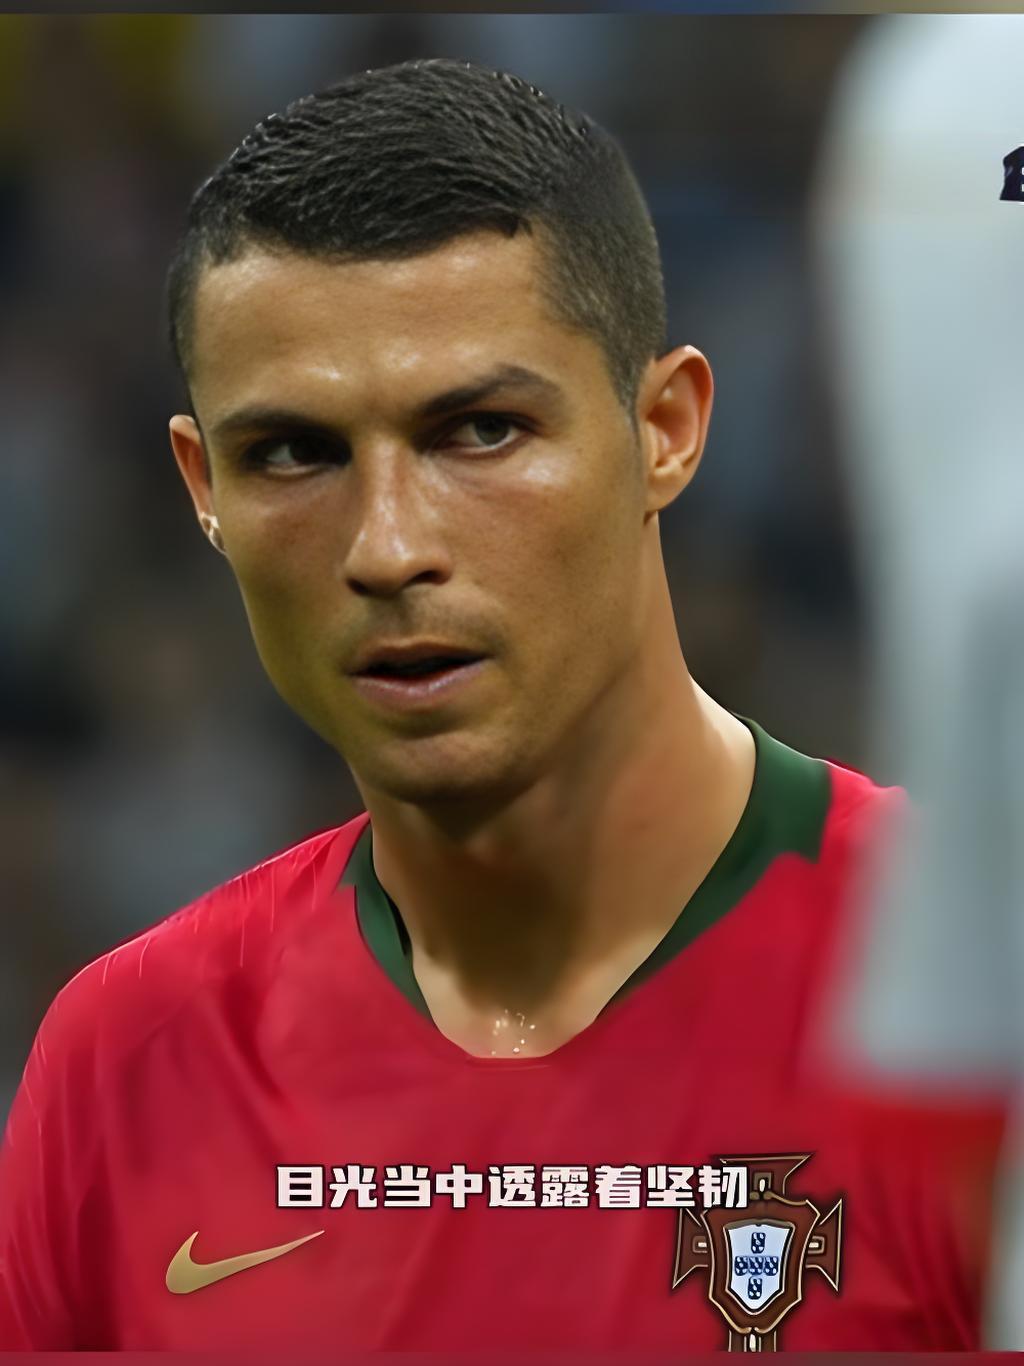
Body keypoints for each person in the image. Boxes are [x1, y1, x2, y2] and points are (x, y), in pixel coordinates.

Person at [0, 58, 997, 1352]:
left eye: (478, 430)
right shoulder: (127, 1059)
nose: (387, 547)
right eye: (292, 453)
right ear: (203, 490)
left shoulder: (973, 988)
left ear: (666, 428)